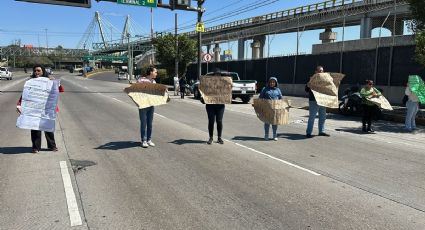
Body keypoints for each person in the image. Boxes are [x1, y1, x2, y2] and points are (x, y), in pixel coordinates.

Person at [17, 65, 64, 153]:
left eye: (38, 70)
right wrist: (19, 104)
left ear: (43, 71)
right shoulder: (30, 82)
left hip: (47, 110)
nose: (36, 72)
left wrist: (56, 83)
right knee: (34, 128)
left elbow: (60, 90)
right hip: (34, 109)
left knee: (48, 128)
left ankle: (52, 146)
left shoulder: (49, 81)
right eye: (35, 71)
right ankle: (35, 147)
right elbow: (26, 95)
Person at [305, 66, 330, 138]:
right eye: (319, 71)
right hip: (313, 100)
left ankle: (321, 131)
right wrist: (308, 85)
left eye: (322, 71)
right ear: (315, 71)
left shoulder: (325, 79)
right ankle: (309, 133)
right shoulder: (311, 78)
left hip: (322, 100)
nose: (321, 72)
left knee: (323, 117)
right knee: (312, 117)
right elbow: (306, 90)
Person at [138, 66, 158, 148]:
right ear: (151, 72)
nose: (156, 73)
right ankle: (144, 140)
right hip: (143, 105)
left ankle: (149, 139)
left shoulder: (154, 82)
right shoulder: (141, 80)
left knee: (150, 124)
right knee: (144, 123)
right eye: (155, 72)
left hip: (151, 104)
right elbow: (136, 90)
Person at [205, 69, 226, 145]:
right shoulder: (208, 83)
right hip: (210, 105)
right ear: (213, 76)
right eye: (216, 74)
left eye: (219, 74)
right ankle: (210, 137)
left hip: (220, 106)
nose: (217, 76)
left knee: (219, 121)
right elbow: (204, 92)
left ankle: (219, 138)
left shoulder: (224, 83)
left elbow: (228, 92)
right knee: (211, 121)